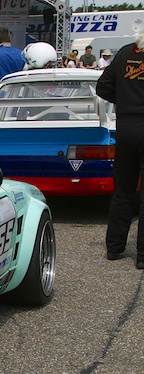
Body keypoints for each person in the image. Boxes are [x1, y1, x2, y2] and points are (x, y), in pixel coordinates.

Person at [96, 34, 144, 267]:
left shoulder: (125, 53)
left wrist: (124, 101)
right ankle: (142, 256)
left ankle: (114, 248)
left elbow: (102, 87)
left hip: (126, 129)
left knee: (123, 191)